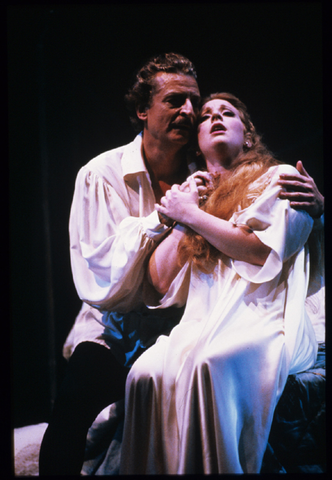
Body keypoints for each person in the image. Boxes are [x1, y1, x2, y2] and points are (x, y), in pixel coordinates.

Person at [38, 51, 323, 475]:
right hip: (120, 325)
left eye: (196, 102)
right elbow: (107, 282)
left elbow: (269, 238)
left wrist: (317, 210)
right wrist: (169, 216)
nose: (190, 112)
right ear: (141, 110)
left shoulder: (211, 168)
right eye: (175, 101)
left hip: (192, 317)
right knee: (76, 408)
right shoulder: (103, 174)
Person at [119, 92, 321, 474]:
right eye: (206, 115)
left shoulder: (279, 177)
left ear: (247, 135)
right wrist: (180, 215)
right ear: (197, 141)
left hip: (265, 319)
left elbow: (260, 252)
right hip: (201, 323)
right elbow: (160, 282)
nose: (214, 118)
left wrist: (192, 216)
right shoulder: (194, 200)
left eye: (227, 113)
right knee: (144, 374)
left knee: (210, 364)